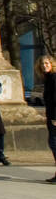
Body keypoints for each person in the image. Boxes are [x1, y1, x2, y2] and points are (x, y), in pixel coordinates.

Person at [39, 55, 56, 183]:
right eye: (43, 64)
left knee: (54, 143)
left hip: (54, 116)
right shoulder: (48, 78)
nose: (45, 65)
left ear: (52, 64)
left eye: (47, 63)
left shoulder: (54, 78)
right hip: (51, 116)